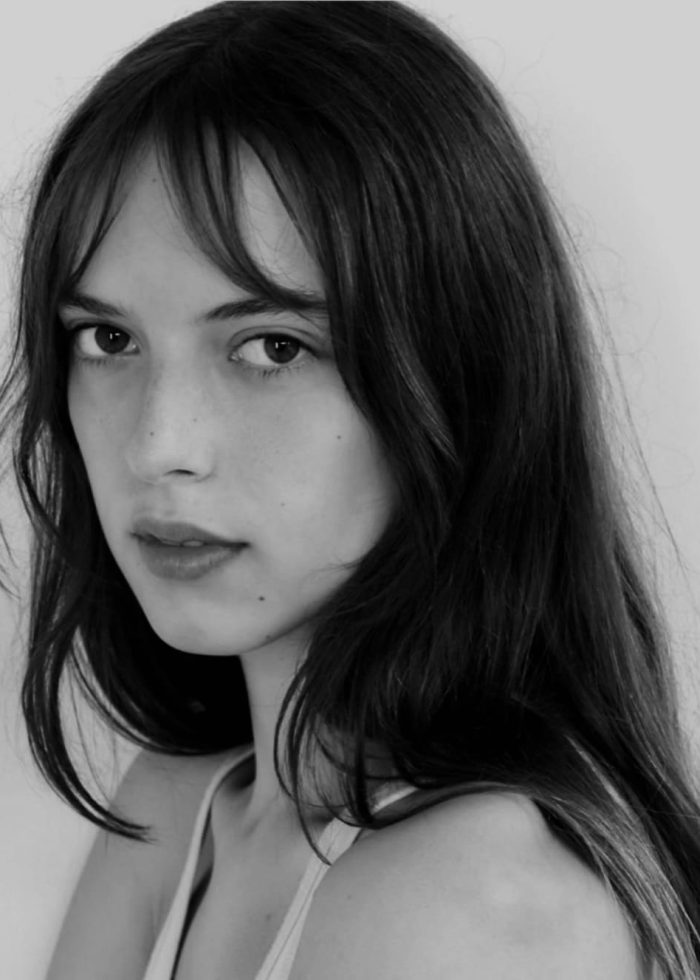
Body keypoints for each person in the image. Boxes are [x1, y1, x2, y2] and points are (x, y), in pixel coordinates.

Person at [1, 1, 698, 977]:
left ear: (458, 373)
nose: (158, 445)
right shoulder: (175, 810)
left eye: (271, 346)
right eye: (108, 339)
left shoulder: (468, 905)